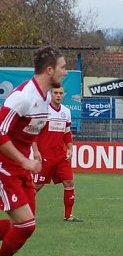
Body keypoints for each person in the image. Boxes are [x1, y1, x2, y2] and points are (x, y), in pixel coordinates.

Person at [0, 46, 67, 256]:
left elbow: (29, 129)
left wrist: (34, 152)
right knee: (25, 224)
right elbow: (1, 134)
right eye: (62, 67)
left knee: (26, 225)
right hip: (5, 168)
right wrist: (23, 160)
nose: (65, 72)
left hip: (21, 168)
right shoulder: (22, 97)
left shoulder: (43, 98)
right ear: (49, 70)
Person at [33, 84, 83, 221]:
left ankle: (69, 216)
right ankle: (25, 216)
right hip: (45, 156)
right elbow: (33, 133)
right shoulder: (42, 111)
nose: (58, 95)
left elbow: (67, 133)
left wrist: (70, 148)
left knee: (69, 182)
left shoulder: (66, 112)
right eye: (56, 93)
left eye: (61, 93)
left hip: (61, 156)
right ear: (50, 94)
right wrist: (36, 152)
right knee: (36, 186)